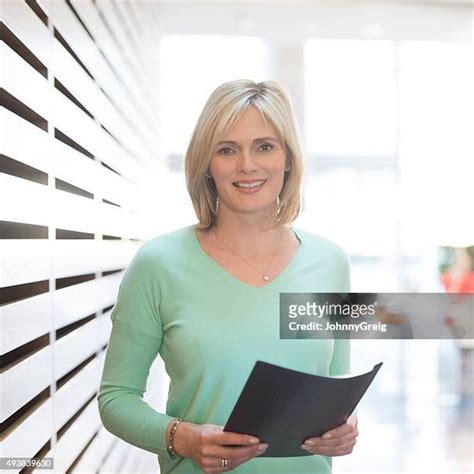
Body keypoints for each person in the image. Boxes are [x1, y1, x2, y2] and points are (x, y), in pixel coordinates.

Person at [98, 79, 358, 473]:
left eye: (264, 146)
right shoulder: (158, 263)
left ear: (288, 158)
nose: (247, 165)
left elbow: (337, 382)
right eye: (226, 149)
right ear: (207, 164)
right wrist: (182, 437)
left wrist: (346, 427)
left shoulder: (331, 262)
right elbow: (116, 398)